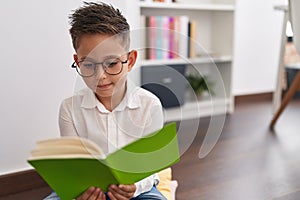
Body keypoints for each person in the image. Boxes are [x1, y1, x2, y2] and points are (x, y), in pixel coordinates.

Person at [44, 2, 166, 200]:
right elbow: (73, 164)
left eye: (111, 63)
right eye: (89, 64)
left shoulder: (150, 105)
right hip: (88, 191)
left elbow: (151, 169)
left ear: (131, 60)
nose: (100, 76)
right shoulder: (69, 108)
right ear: (78, 61)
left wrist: (134, 187)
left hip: (136, 190)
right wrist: (80, 191)